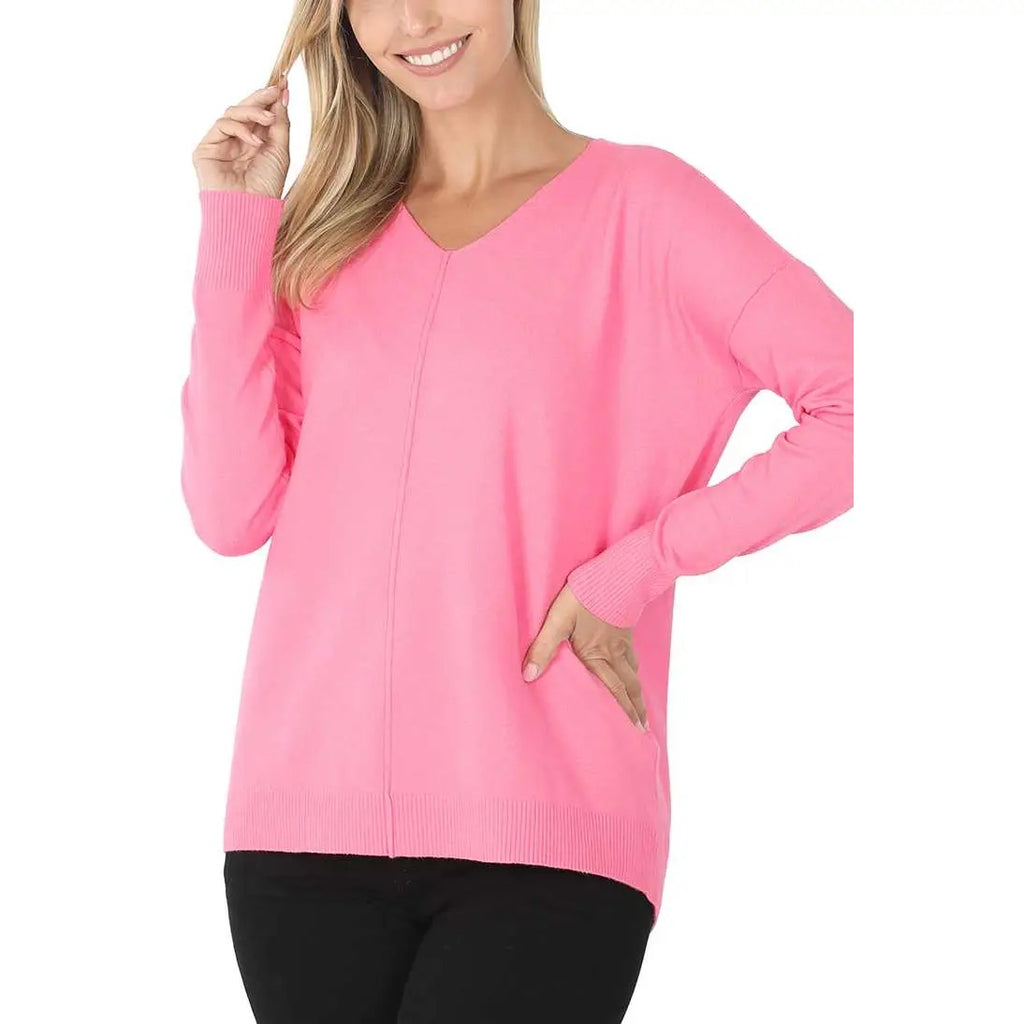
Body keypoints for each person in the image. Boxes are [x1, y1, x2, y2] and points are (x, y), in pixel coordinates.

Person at [180, 2, 854, 1021]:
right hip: (298, 834)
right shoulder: (327, 231)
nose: (414, 18)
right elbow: (229, 512)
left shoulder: (644, 208)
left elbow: (863, 403)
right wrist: (237, 226)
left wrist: (636, 568)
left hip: (548, 834)